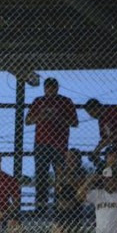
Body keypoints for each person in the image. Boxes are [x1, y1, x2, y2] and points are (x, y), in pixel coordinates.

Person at [26, 77, 79, 213]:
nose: (49, 90)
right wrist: (41, 117)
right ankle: (41, 206)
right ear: (44, 89)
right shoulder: (39, 101)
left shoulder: (65, 101)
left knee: (60, 175)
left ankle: (59, 205)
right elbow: (28, 120)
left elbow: (75, 122)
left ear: (57, 88)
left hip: (59, 144)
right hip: (41, 143)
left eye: (52, 87)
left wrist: (59, 118)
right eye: (47, 87)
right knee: (41, 174)